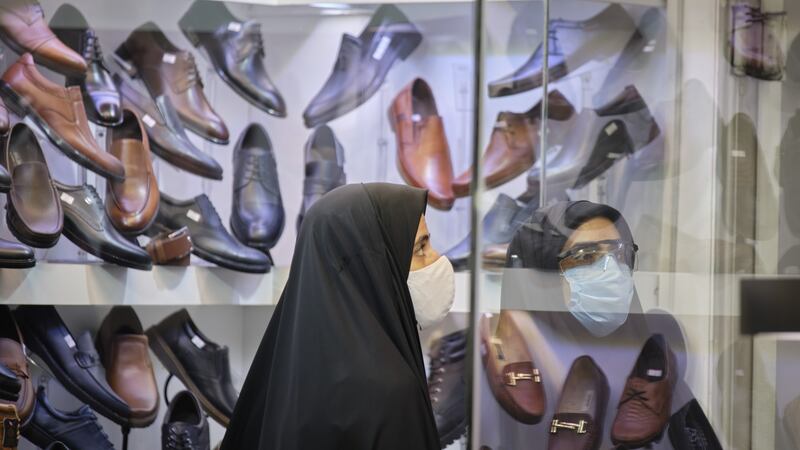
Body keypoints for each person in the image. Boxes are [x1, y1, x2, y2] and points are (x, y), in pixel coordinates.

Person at [221, 183, 455, 450]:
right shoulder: (390, 395)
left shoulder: (280, 374)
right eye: (419, 248)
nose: (435, 258)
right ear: (372, 266)